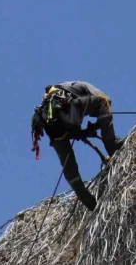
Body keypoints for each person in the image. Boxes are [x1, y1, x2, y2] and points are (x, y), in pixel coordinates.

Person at [30, 81, 125, 210]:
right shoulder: (88, 89)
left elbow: (74, 129)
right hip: (67, 113)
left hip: (52, 126)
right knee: (105, 103)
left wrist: (86, 131)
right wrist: (97, 126)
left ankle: (90, 203)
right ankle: (112, 146)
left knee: (70, 169)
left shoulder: (59, 94)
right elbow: (105, 101)